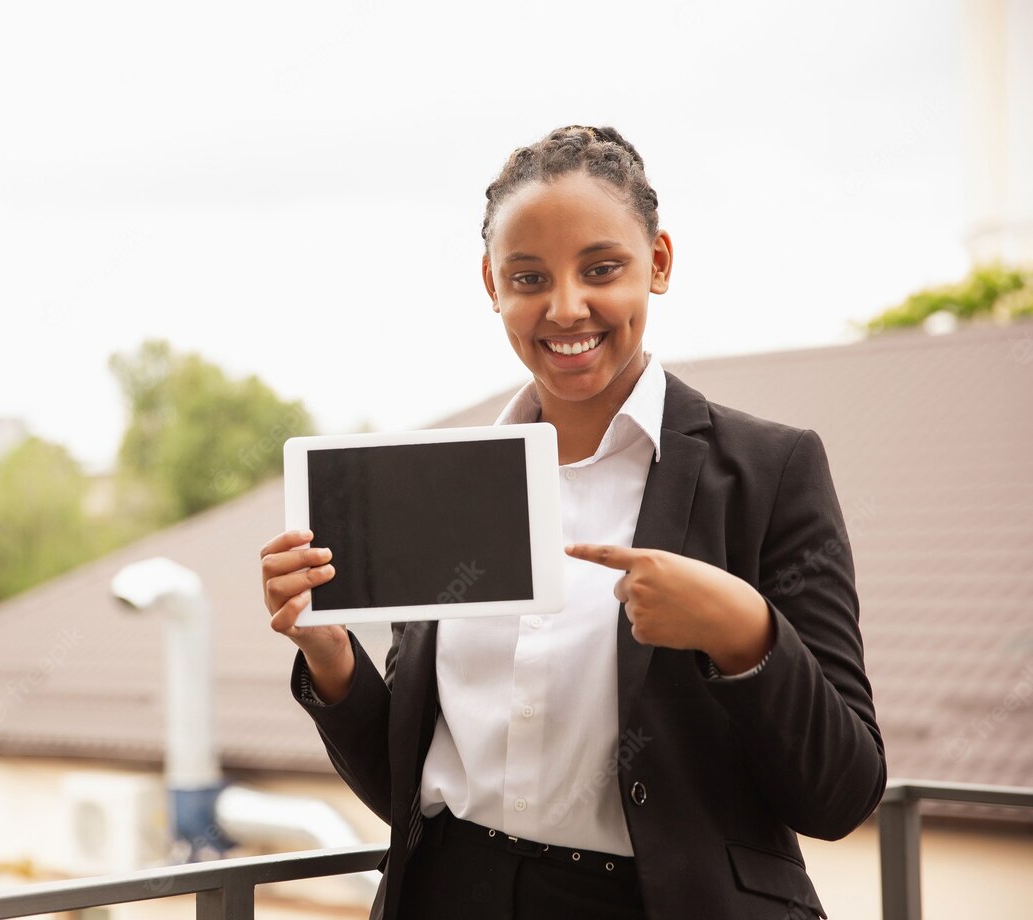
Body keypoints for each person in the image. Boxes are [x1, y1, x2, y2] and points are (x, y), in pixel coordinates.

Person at [258, 124, 885, 920]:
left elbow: (843, 794)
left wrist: (742, 631)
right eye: (528, 277)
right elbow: (402, 792)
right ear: (491, 284)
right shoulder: (444, 483)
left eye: (601, 268)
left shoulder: (769, 471)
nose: (565, 307)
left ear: (657, 263)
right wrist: (329, 655)